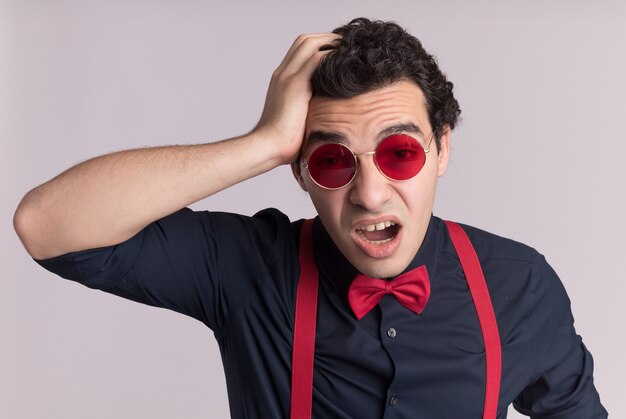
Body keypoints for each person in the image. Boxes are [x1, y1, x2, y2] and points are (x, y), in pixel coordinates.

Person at [13, 17, 607, 418]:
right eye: (331, 160)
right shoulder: (252, 269)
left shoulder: (520, 286)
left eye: (400, 153)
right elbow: (47, 223)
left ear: (442, 149)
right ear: (299, 171)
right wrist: (264, 142)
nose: (371, 195)